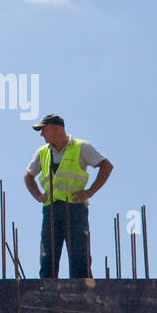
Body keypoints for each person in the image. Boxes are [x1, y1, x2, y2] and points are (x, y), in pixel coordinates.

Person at [23, 114, 113, 279]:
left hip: (75, 208)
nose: (41, 134)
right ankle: (47, 292)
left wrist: (89, 192)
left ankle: (81, 294)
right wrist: (38, 196)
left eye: (44, 130)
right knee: (47, 257)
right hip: (50, 210)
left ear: (56, 128)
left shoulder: (81, 146)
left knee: (79, 257)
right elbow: (28, 176)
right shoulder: (42, 152)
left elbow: (106, 166)